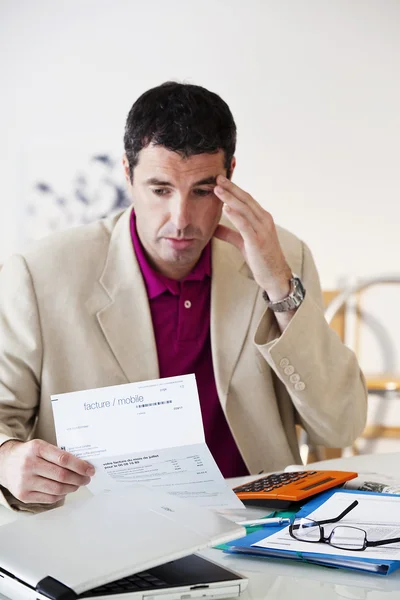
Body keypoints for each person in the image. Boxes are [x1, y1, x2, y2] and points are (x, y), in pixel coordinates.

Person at [0, 82, 367, 512]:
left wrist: (281, 287)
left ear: (229, 173)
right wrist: (7, 459)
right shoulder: (40, 273)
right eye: (160, 190)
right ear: (127, 173)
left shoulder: (281, 258)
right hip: (102, 531)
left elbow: (341, 426)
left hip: (256, 527)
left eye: (202, 191)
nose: (181, 220)